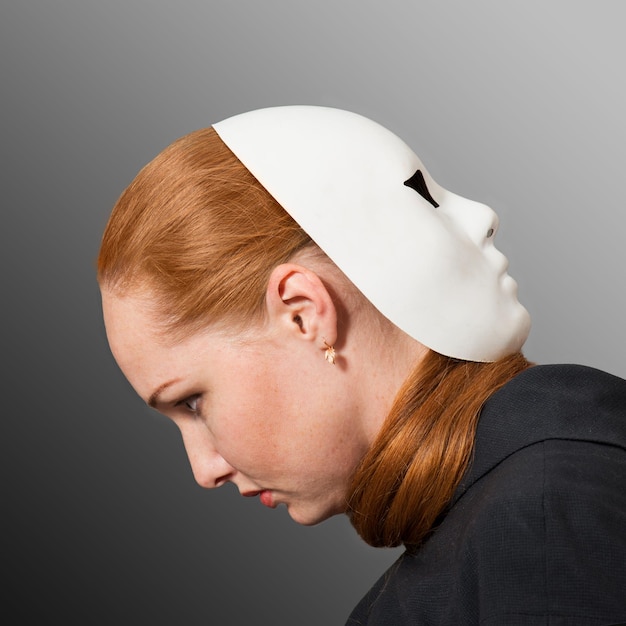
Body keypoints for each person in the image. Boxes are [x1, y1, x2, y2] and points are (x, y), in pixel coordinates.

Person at [98, 105, 626, 624]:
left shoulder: (541, 523)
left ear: (304, 316)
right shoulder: (525, 514)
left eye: (192, 402)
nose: (203, 469)